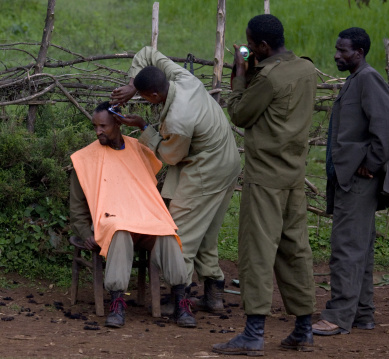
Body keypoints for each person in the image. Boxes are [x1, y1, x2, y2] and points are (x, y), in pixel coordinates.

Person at [212, 14, 317, 356]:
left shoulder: (267, 78)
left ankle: (254, 333)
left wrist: (241, 76)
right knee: (295, 249)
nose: (248, 49)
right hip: (293, 176)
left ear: (263, 46)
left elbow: (241, 114)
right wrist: (255, 66)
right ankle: (303, 329)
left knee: (257, 252)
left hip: (265, 179)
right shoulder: (305, 69)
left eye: (251, 44)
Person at [110, 47, 241, 314]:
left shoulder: (178, 120)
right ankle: (213, 293)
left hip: (208, 169)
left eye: (146, 99)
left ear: (155, 95)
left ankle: (180, 297)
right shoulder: (182, 78)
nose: (146, 102)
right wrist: (132, 85)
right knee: (204, 232)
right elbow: (147, 53)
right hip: (228, 161)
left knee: (178, 236)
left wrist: (144, 129)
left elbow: (170, 156)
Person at [69, 101, 196, 329]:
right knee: (119, 228)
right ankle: (117, 302)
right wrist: (85, 232)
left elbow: (147, 187)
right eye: (95, 126)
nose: (98, 131)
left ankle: (180, 300)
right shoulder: (85, 158)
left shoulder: (139, 149)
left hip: (144, 220)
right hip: (112, 222)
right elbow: (77, 208)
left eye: (103, 126)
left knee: (166, 230)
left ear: (118, 123)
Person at [312, 27, 389, 336]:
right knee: (359, 248)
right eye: (337, 49)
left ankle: (338, 315)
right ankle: (362, 313)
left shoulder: (368, 79)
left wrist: (372, 163)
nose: (337, 54)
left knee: (346, 248)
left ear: (359, 53)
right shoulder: (354, 80)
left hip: (358, 180)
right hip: (350, 177)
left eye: (344, 50)